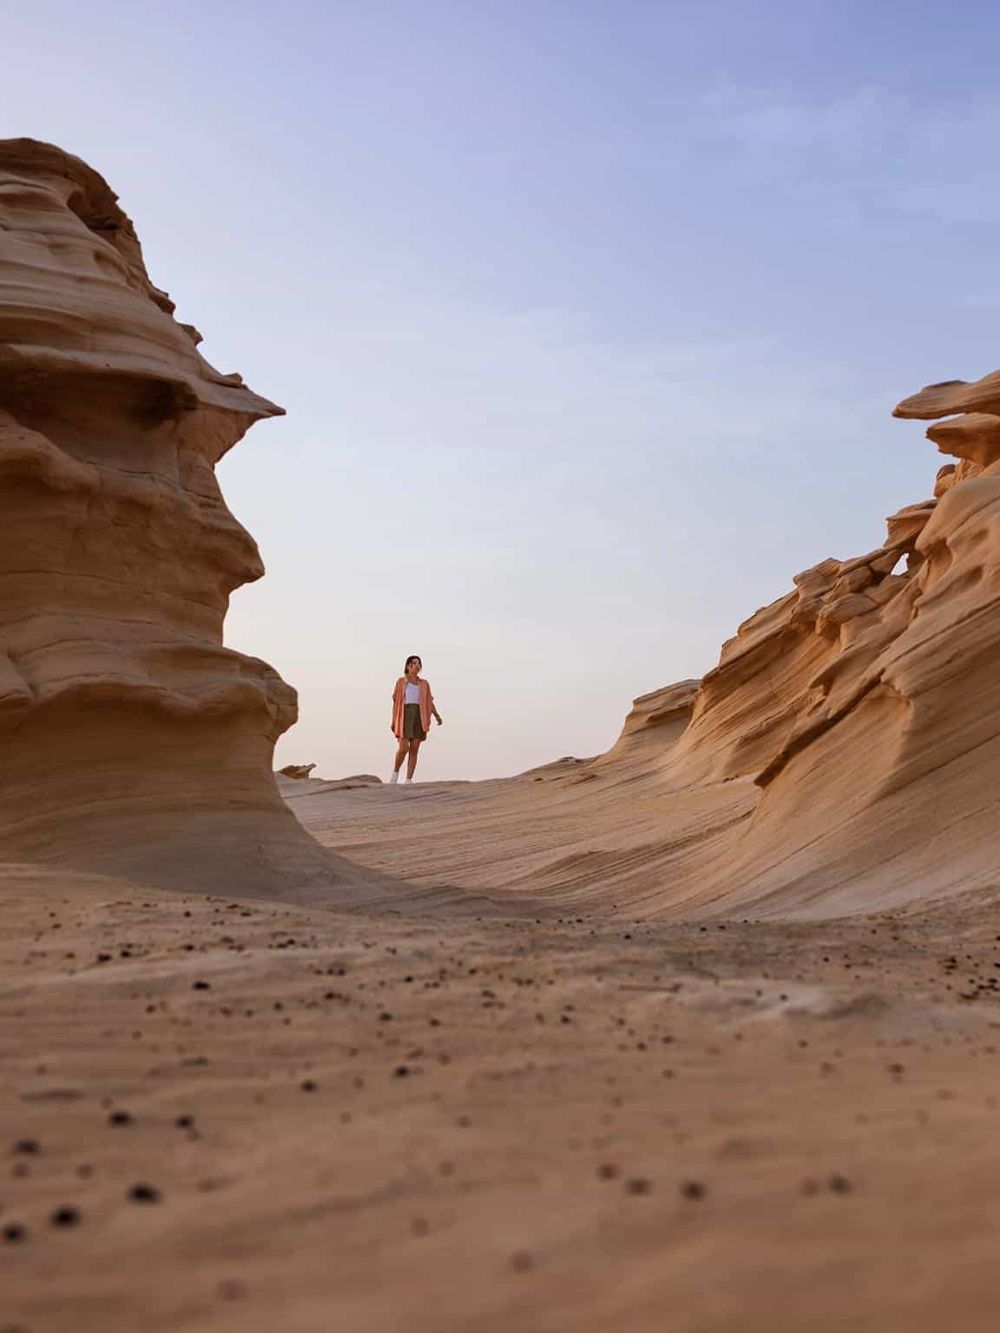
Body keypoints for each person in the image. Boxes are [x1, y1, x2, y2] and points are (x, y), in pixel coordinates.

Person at [390, 655, 442, 783]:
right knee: (403, 748)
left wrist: (436, 715)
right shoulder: (401, 682)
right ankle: (395, 774)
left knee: (414, 748)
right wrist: (394, 720)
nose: (417, 666)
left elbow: (429, 701)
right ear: (408, 666)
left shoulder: (424, 684)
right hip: (404, 715)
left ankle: (408, 779)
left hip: (419, 715)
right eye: (414, 663)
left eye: (419, 663)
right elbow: (396, 702)